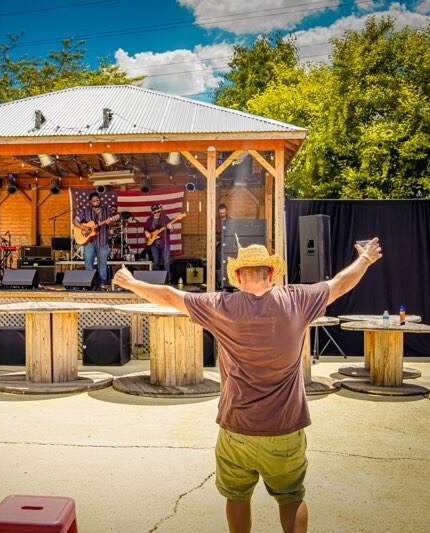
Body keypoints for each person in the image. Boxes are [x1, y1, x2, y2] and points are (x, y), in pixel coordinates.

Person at [113, 238, 383, 533]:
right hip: (286, 427)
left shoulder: (221, 306)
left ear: (239, 276)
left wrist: (130, 281)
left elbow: (169, 295)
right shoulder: (297, 300)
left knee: (237, 496)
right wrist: (366, 258)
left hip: (237, 427)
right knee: (291, 497)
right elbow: (341, 283)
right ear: (270, 273)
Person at [73, 191, 115, 286]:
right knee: (88, 264)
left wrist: (110, 222)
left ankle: (103, 284)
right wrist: (84, 228)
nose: (97, 201)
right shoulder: (85, 211)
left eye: (98, 199)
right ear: (91, 202)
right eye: (94, 200)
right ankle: (90, 284)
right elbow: (75, 221)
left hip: (103, 242)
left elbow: (112, 223)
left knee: (102, 265)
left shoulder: (107, 211)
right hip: (89, 243)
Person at [142, 203, 172, 272]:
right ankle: (157, 279)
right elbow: (145, 229)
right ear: (152, 212)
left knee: (166, 262)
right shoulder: (149, 220)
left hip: (164, 243)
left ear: (160, 210)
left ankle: (167, 279)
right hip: (154, 244)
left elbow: (171, 229)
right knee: (156, 262)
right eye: (155, 212)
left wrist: (171, 227)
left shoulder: (165, 218)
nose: (157, 213)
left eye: (158, 211)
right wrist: (146, 233)